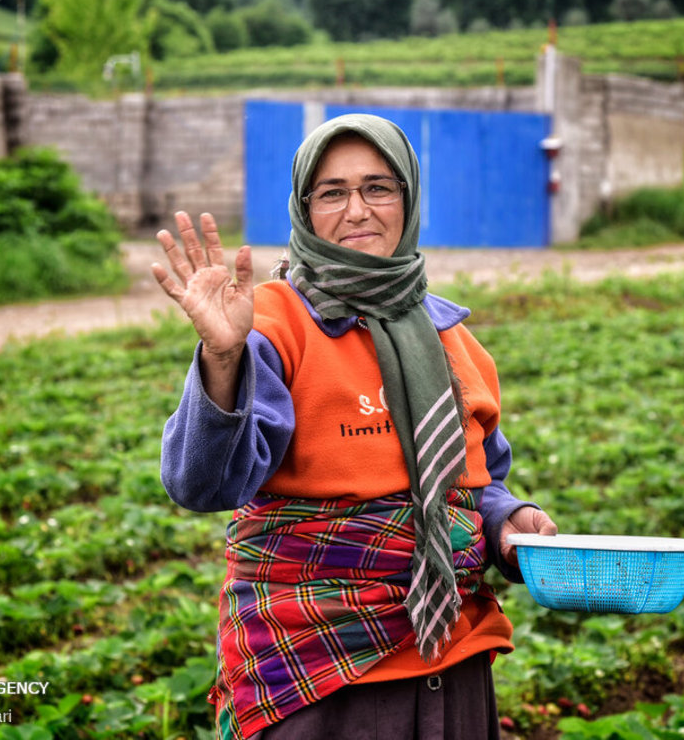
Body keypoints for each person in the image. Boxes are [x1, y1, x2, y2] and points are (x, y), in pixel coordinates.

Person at [153, 113, 558, 740]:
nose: (357, 210)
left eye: (378, 187)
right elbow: (201, 486)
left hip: (454, 660)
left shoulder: (456, 342)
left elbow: (480, 485)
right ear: (304, 208)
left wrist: (511, 523)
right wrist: (224, 357)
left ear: (409, 200)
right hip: (312, 675)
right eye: (333, 192)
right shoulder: (272, 327)